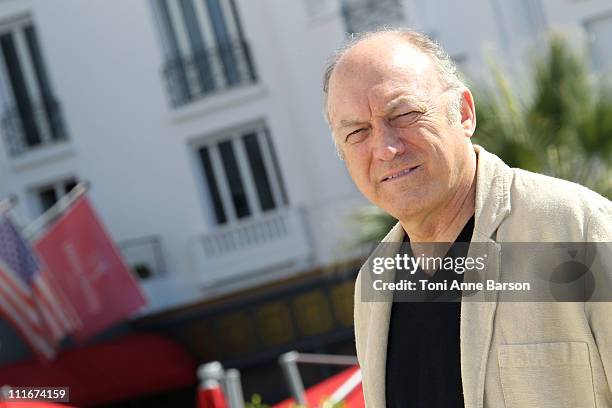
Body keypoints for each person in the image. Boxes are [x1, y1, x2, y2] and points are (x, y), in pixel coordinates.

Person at [323, 29, 612, 408]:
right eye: (358, 132)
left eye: (405, 114)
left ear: (463, 113)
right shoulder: (376, 282)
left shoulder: (575, 227)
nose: (386, 148)